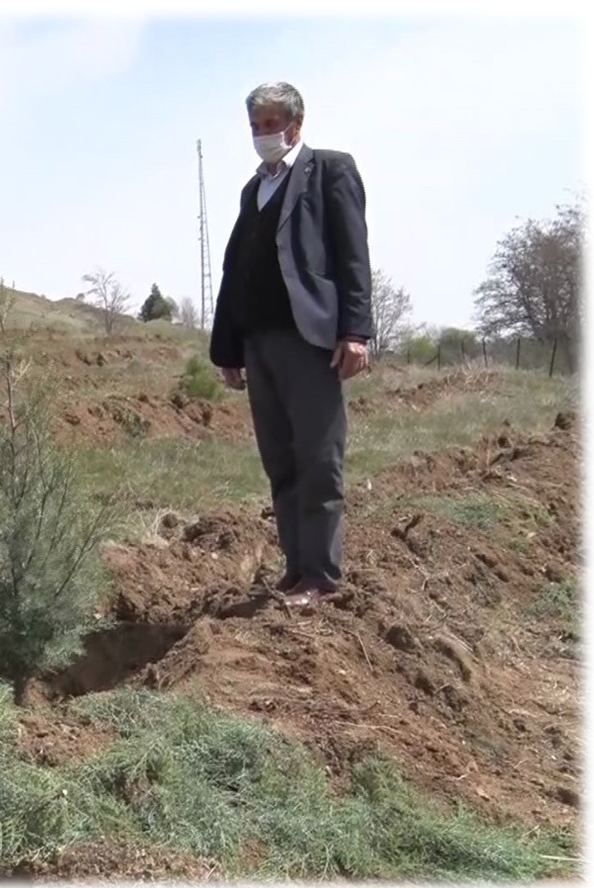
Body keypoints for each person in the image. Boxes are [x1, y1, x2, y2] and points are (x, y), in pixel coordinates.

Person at [208, 81, 372, 613]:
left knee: (318, 459)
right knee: (280, 461)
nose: (263, 135)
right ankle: (297, 569)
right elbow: (237, 273)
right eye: (255, 126)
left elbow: (352, 255)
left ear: (296, 124)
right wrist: (228, 348)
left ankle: (322, 577)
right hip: (259, 344)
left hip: (311, 341)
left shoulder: (330, 171)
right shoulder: (251, 189)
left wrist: (355, 331)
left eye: (271, 124)